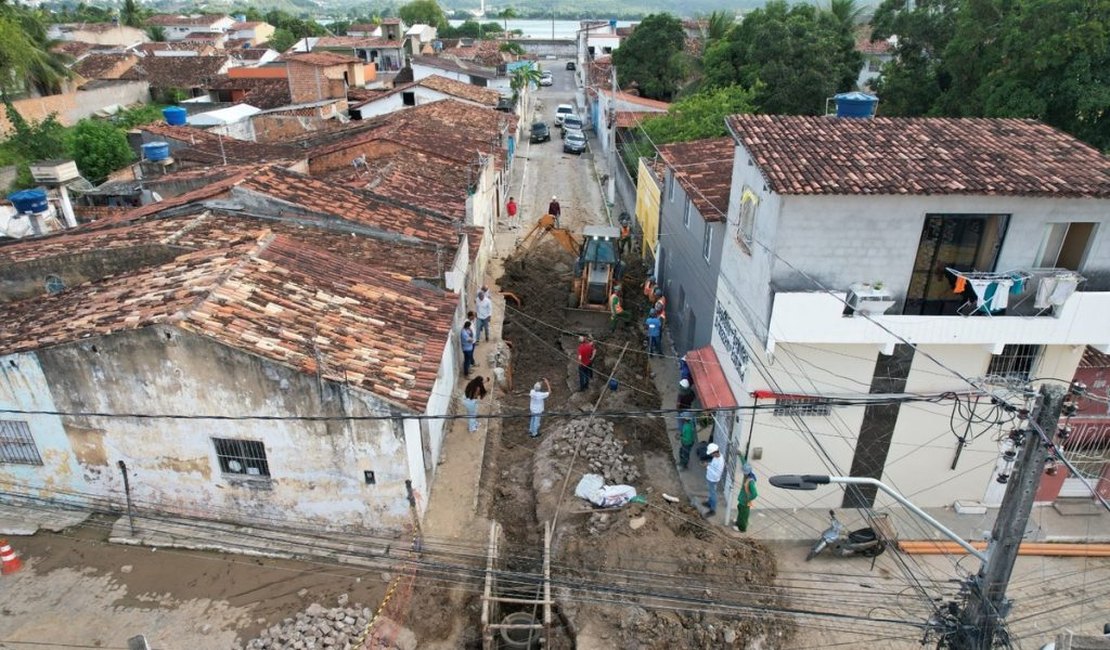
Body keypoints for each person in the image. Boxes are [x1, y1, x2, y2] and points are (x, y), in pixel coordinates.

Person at [734, 463, 759, 532]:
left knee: (743, 515)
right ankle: (738, 523)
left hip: (745, 502)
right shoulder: (748, 476)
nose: (743, 473)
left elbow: (755, 494)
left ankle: (742, 528)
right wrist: (741, 455)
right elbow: (744, 461)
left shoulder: (750, 481)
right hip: (742, 500)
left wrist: (747, 499)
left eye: (744, 472)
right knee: (741, 511)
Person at [703, 442, 723, 517]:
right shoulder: (716, 457)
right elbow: (713, 465)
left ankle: (712, 510)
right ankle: (709, 503)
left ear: (715, 452)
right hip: (710, 478)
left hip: (713, 479)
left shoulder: (720, 462)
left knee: (713, 493)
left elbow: (716, 473)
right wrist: (708, 464)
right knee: (711, 492)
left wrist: (707, 466)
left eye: (711, 454)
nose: (711, 455)